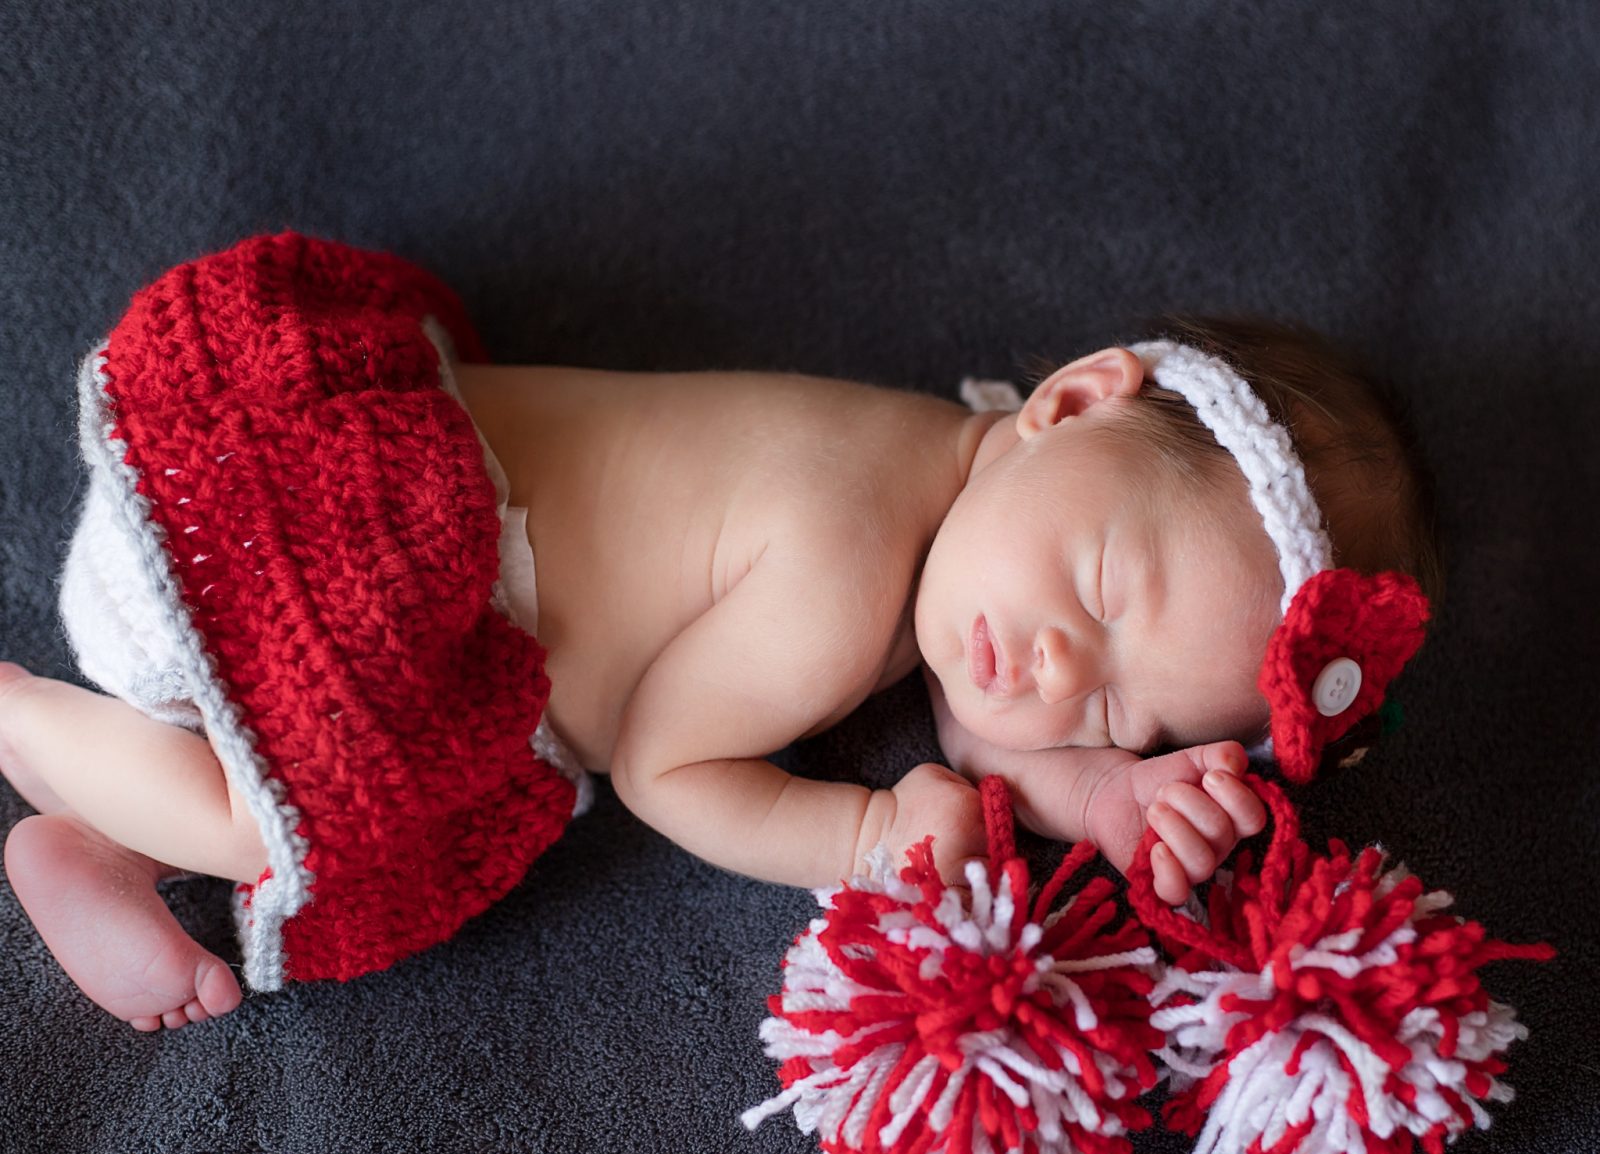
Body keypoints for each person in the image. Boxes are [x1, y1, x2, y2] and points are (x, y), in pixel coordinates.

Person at [0, 234, 1437, 1031]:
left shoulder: (963, 503)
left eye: (1127, 710)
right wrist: (865, 844)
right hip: (310, 542)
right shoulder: (841, 560)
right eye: (1105, 597)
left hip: (325, 557)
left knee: (257, 758)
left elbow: (985, 714)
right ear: (1064, 404)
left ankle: (84, 832)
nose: (1061, 671)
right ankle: (22, 712)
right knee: (269, 821)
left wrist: (1111, 794)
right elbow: (662, 764)